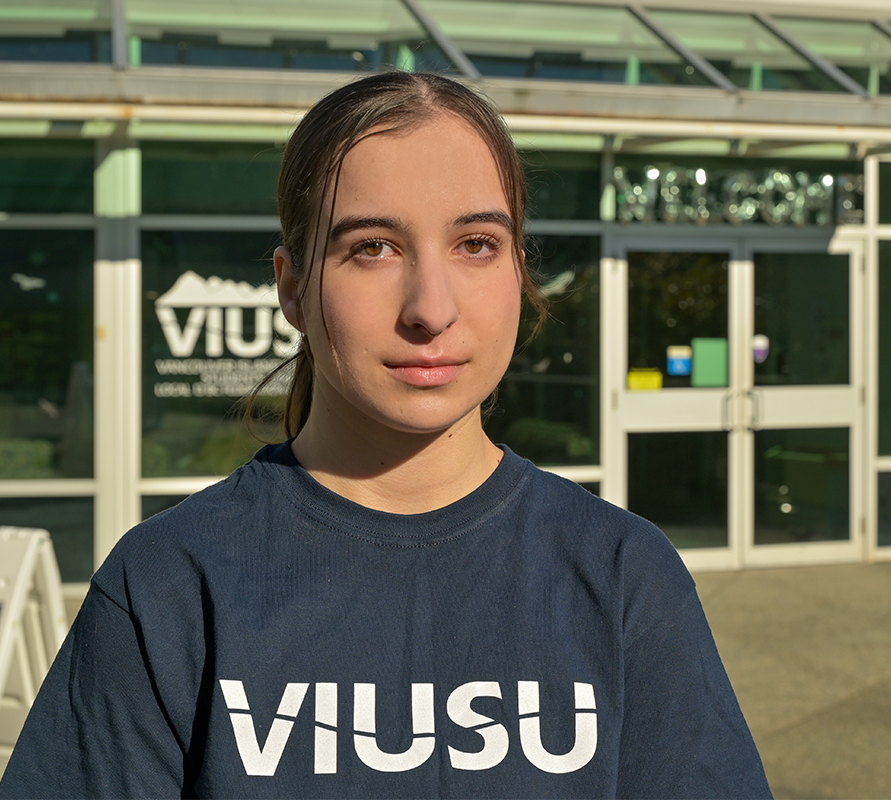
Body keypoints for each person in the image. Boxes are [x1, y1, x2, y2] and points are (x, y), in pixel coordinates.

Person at [0, 71, 771, 798]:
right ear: (293, 290)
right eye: (372, 247)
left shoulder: (624, 577)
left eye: (476, 244)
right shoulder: (171, 584)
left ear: (517, 273)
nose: (430, 308)